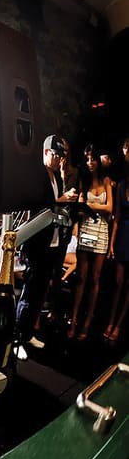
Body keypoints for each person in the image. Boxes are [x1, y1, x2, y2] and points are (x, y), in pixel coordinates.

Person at [16, 134, 78, 350]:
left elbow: (55, 207)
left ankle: (27, 333)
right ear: (46, 152)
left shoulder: (57, 177)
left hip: (52, 241)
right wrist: (61, 200)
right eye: (56, 155)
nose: (59, 159)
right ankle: (18, 337)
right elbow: (36, 205)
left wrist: (65, 202)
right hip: (36, 241)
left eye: (61, 156)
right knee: (29, 290)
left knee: (40, 290)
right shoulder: (37, 174)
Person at [68, 145, 113, 340]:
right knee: (81, 277)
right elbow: (79, 209)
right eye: (87, 159)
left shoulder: (106, 180)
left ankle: (87, 323)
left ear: (98, 160)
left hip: (101, 232)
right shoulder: (84, 181)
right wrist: (87, 207)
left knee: (95, 278)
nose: (89, 162)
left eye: (92, 158)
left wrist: (89, 205)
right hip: (86, 230)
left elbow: (110, 208)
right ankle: (74, 319)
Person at [106, 139, 129, 342]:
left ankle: (119, 325)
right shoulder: (122, 185)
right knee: (118, 283)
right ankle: (110, 322)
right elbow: (117, 217)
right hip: (123, 235)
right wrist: (112, 243)